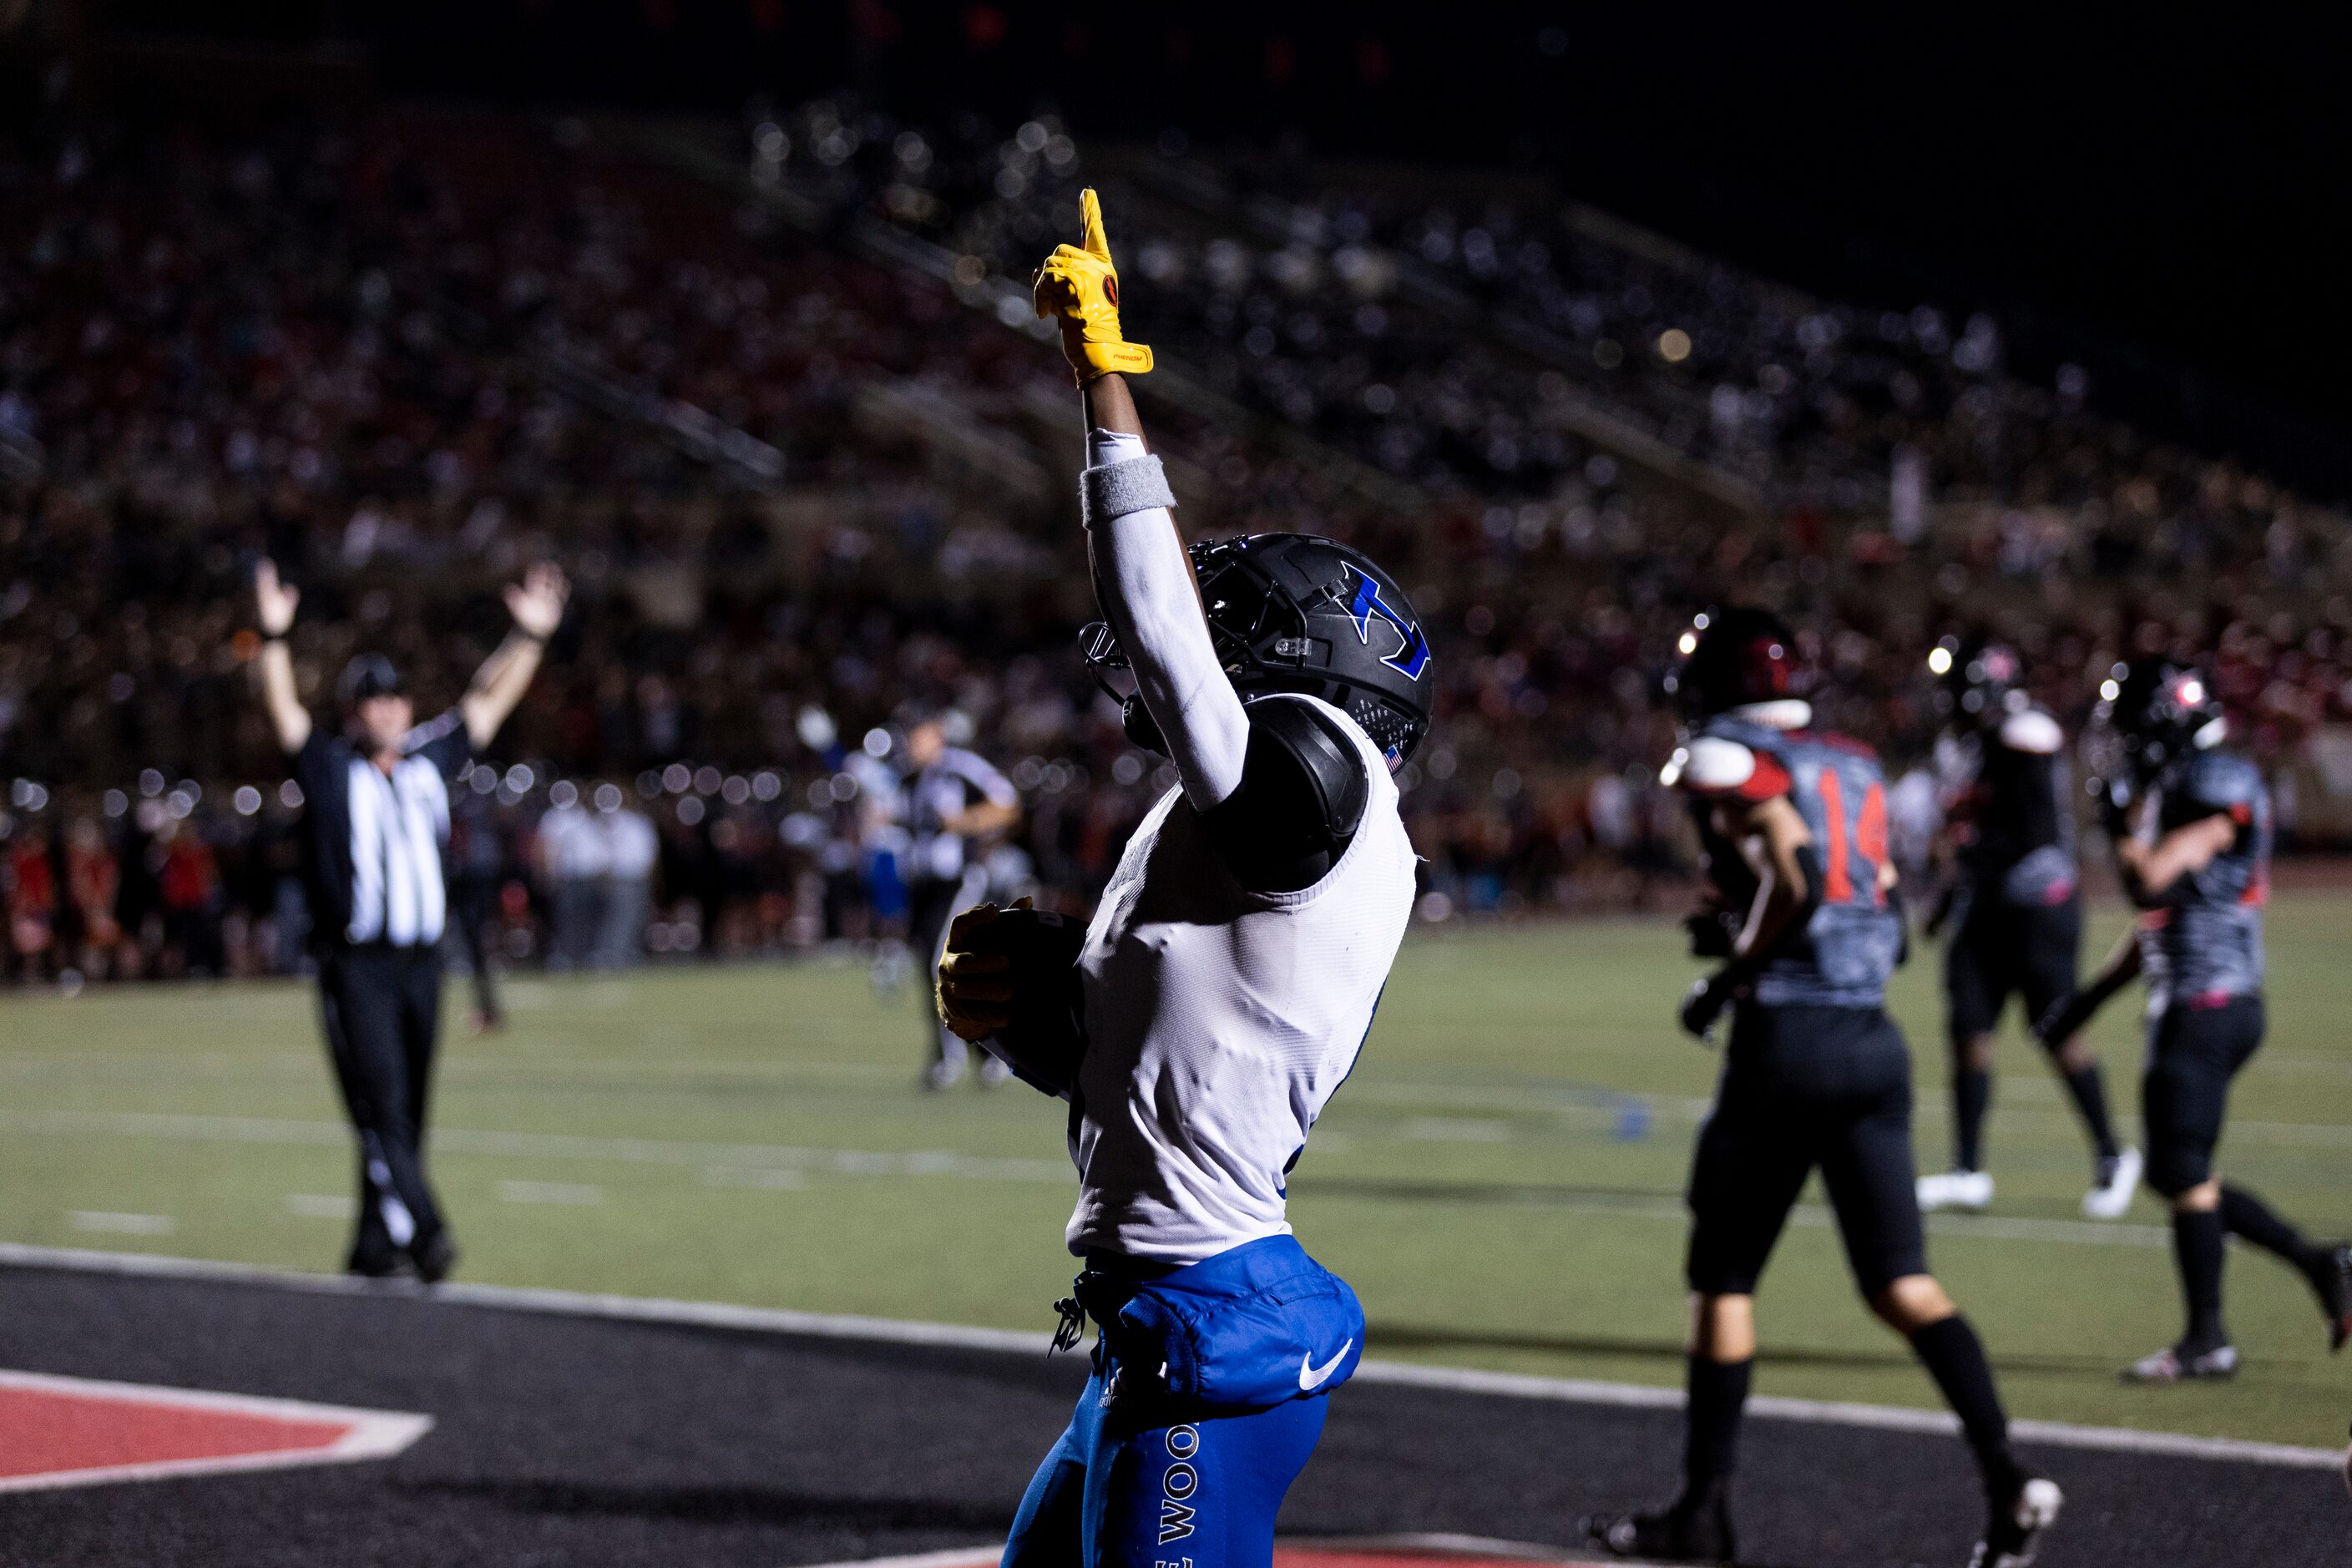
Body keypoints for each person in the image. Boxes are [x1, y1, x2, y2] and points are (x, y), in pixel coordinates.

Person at [934, 190, 1429, 1567]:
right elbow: (1155, 1073)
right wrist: (1035, 1018)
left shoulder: (1323, 778)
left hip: (1213, 1323)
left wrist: (1101, 378)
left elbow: (1158, 633)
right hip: (1152, 1318)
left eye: (1233, 638)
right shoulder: (1237, 817)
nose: (1192, 660)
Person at [1589, 608, 2060, 1568]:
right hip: (1873, 1041)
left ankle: (1705, 1514)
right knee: (1904, 1284)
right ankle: (2008, 1476)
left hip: (1787, 1042)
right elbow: (1870, 890)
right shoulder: (1856, 761)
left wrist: (1726, 977)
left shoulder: (1730, 755)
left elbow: (1797, 877)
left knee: (1722, 1280)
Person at [253, 556, 568, 1281]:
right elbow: (285, 716)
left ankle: (372, 1244)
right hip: (356, 965)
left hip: (422, 963)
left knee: (408, 1110)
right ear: (353, 714)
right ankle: (426, 1232)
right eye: (374, 702)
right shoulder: (333, 770)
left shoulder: (428, 761)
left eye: (396, 699)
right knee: (380, 1106)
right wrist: (272, 640)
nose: (389, 711)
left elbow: (488, 703)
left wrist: (529, 637)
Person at [2046, 657, 2349, 1380]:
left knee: (2181, 1170)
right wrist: (2088, 1000)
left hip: (2207, 1003)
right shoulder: (2190, 782)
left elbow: (2148, 880)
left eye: (2131, 728)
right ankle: (2319, 1264)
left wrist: (2121, 829)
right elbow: (2160, 915)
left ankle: (2209, 1338)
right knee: (2182, 1171)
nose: (2123, 743)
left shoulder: (2213, 783)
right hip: (2207, 998)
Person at [1916, 637, 2139, 1218]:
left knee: (2055, 1028)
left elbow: (2028, 834)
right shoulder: (1967, 744)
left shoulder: (2025, 734)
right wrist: (1948, 895)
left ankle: (2112, 1156)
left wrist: (1965, 866)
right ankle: (1967, 1169)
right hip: (1984, 907)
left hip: (2036, 905)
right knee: (1968, 1029)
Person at [900, 708, 1021, 1089]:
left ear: (937, 734)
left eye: (917, 734)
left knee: (942, 962)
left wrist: (963, 824)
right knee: (937, 966)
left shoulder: (960, 766)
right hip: (925, 885)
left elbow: (1007, 804)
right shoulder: (913, 778)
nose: (911, 743)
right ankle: (987, 1053)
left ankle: (948, 1060)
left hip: (958, 881)